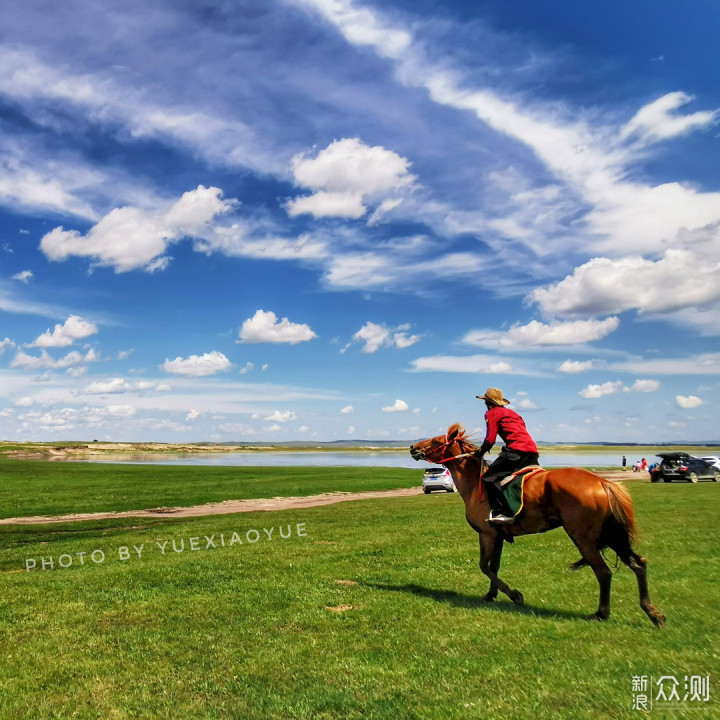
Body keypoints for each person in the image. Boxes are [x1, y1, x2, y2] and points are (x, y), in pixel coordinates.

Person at [474, 387, 540, 526]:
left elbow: (490, 439)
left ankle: (502, 512)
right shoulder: (513, 413)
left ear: (488, 402)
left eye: (485, 401)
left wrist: (480, 452)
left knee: (488, 478)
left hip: (515, 452)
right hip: (532, 451)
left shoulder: (491, 413)